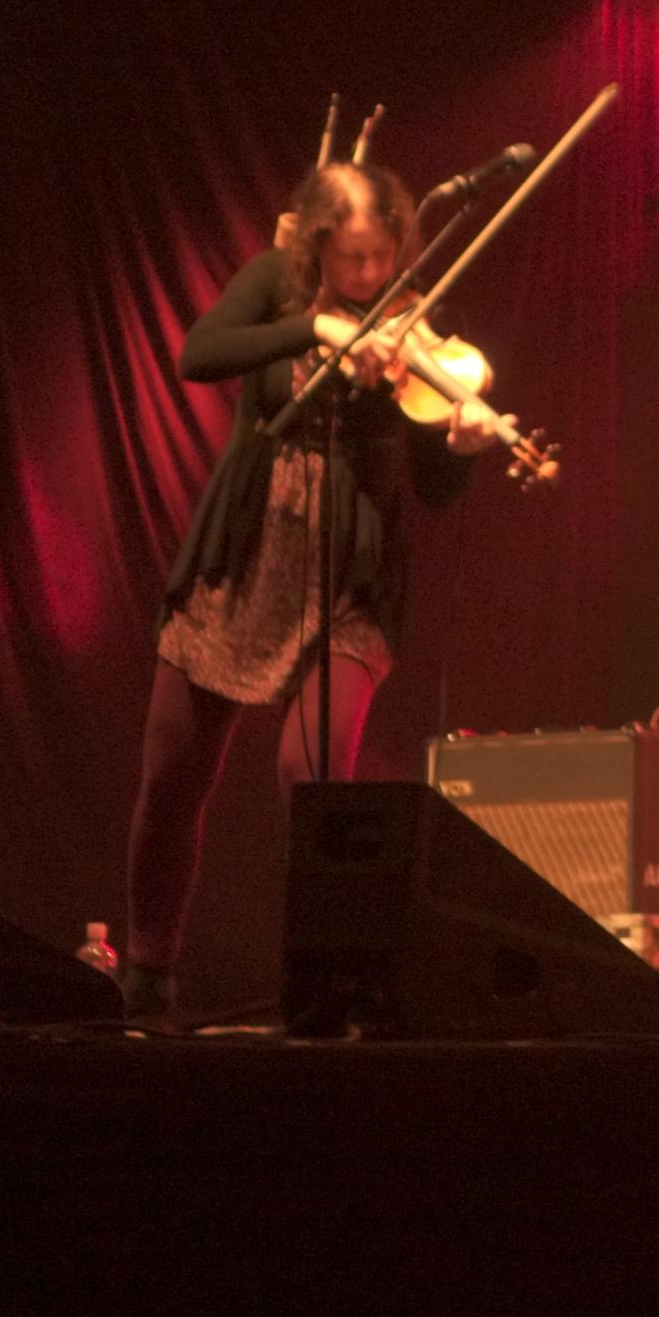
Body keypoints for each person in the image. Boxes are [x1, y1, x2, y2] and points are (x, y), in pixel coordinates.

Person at [119, 162, 502, 1018]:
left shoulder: (420, 325)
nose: (369, 274)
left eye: (382, 256)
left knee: (314, 775)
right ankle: (147, 972)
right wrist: (316, 328)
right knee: (172, 779)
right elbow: (198, 354)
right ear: (318, 246)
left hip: (349, 574)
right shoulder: (276, 284)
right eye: (351, 257)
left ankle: (330, 985)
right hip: (245, 553)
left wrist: (461, 451)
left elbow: (435, 490)